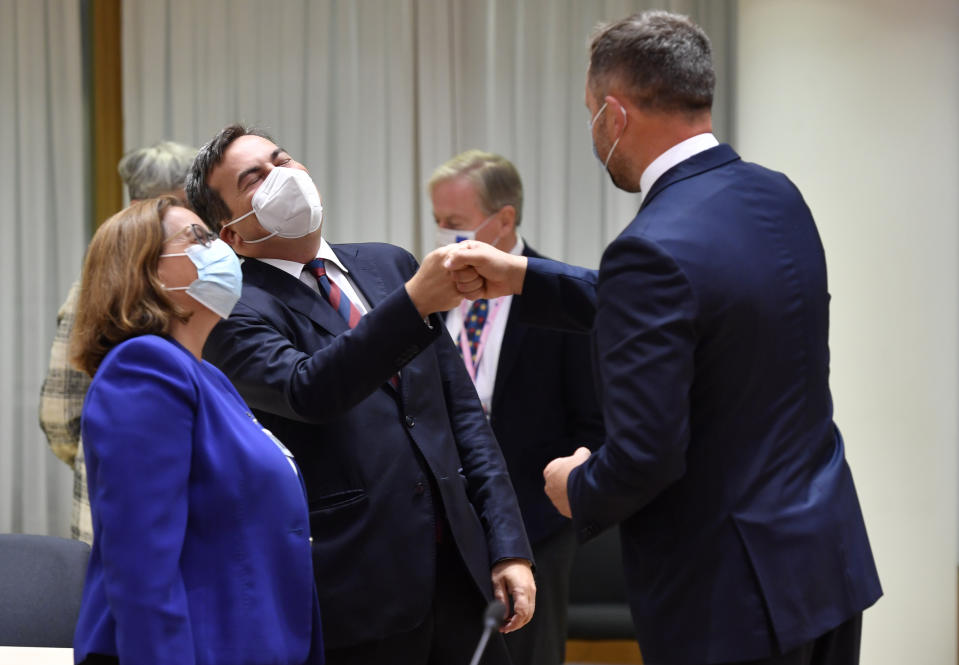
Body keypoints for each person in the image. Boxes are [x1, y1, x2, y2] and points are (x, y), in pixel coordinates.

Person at [445, 10, 882, 665]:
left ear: (614, 114)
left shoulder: (650, 248)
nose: (593, 131)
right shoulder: (771, 194)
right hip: (822, 564)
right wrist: (527, 278)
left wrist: (577, 483)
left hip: (730, 597)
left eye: (590, 111)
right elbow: (697, 308)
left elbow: (645, 454)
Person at [187, 124, 535, 665]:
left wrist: (507, 543)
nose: (282, 176)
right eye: (254, 178)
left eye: (283, 159)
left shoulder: (387, 264)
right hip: (356, 586)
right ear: (229, 232)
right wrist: (413, 304)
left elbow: (462, 414)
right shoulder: (233, 308)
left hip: (462, 571)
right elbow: (309, 389)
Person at [69, 196, 323, 665]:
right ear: (148, 272)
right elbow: (141, 565)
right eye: (199, 237)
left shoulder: (210, 379)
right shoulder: (145, 368)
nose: (220, 247)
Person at [429, 150, 605, 665]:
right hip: (449, 519)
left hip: (536, 519)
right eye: (437, 221)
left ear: (503, 219)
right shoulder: (436, 292)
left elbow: (592, 420)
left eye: (454, 223)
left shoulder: (560, 296)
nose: (443, 233)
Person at [39, 140, 197, 544]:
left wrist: (106, 458)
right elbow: (60, 414)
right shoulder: (209, 287)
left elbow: (60, 413)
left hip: (119, 514)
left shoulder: (92, 288)